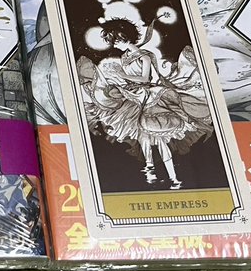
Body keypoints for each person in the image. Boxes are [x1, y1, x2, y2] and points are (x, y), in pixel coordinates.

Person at [77, 18, 211, 190]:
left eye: (115, 41)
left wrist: (123, 77)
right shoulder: (125, 57)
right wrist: (119, 82)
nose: (114, 45)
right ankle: (151, 170)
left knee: (159, 140)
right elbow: (133, 80)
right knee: (144, 136)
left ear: (123, 37)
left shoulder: (144, 56)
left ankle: (173, 178)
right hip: (136, 96)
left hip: (151, 96)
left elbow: (144, 79)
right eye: (112, 42)